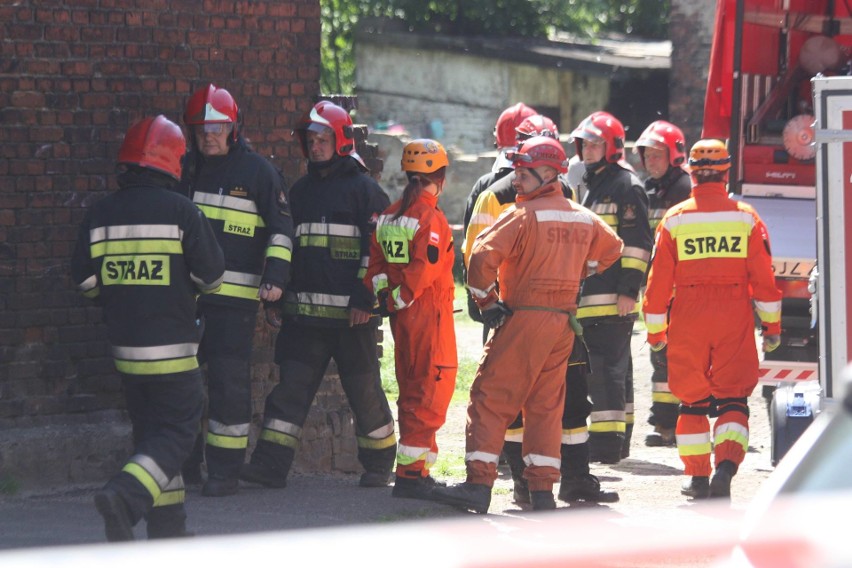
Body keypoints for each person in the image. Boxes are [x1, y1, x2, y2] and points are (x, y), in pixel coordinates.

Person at [431, 136, 623, 513]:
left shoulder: (521, 216)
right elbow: (613, 247)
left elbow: (480, 259)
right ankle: (541, 493)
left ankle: (478, 486)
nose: (516, 180)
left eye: (523, 173)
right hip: (562, 325)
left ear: (548, 172)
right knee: (545, 407)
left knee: (490, 399)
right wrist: (580, 270)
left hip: (523, 318)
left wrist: (487, 303)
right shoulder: (581, 216)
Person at [71, 115, 225, 540]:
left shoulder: (99, 215)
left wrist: (122, 295)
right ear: (172, 162)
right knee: (177, 432)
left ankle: (168, 526)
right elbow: (212, 277)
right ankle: (123, 495)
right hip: (174, 351)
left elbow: (85, 283)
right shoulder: (183, 212)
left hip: (125, 352)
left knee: (152, 438)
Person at [240, 101, 397, 489]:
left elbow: (376, 254)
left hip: (351, 318)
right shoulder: (301, 191)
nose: (316, 146)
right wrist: (278, 298)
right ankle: (270, 466)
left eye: (323, 138)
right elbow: (288, 247)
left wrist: (366, 301)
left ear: (341, 141)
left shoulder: (366, 192)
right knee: (288, 393)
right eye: (311, 140)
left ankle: (379, 465)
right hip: (305, 319)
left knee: (364, 392)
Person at [643, 139, 781, 499]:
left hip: (688, 315)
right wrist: (771, 329)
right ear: (726, 171)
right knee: (733, 397)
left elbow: (657, 285)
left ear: (691, 172)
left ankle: (697, 476)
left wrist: (656, 332)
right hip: (733, 313)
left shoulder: (674, 219)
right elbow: (764, 281)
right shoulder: (747, 217)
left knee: (691, 400)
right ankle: (726, 465)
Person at [177, 83, 294, 497]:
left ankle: (224, 473)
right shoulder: (183, 170)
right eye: (201, 128)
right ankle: (184, 466)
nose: (209, 135)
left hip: (234, 303)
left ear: (233, 128)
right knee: (182, 384)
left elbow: (282, 230)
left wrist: (275, 279)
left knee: (228, 386)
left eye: (217, 127)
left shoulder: (259, 173)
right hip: (186, 299)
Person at [364, 139, 457, 500]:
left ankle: (417, 470)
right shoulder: (430, 218)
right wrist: (403, 298)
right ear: (441, 177)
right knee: (430, 391)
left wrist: (389, 298)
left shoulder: (388, 215)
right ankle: (411, 476)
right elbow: (423, 268)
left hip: (402, 321)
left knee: (411, 392)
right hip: (428, 318)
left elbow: (374, 268)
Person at [570, 111, 654, 464]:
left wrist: (627, 291)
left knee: (604, 374)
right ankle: (618, 443)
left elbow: (637, 244)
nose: (588, 151)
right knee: (616, 373)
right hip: (594, 298)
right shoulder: (594, 184)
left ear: (612, 147)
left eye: (595, 144)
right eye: (585, 144)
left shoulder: (625, 185)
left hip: (611, 299)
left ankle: (604, 448)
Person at [633, 120, 692, 448]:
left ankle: (680, 423)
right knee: (660, 355)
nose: (651, 161)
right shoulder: (648, 188)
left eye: (658, 155)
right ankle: (665, 424)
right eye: (647, 155)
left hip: (681, 291)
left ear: (675, 155)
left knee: (678, 356)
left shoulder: (685, 188)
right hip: (657, 290)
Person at [462, 102, 537, 328]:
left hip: (495, 300)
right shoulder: (556, 186)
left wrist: (483, 298)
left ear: (498, 139)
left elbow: (472, 246)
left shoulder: (484, 186)